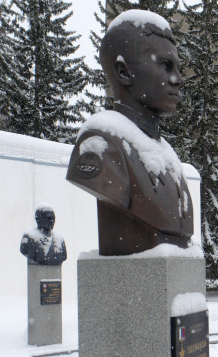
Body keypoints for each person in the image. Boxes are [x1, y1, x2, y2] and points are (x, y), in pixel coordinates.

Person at [66, 10, 193, 256]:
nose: (178, 79)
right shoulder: (103, 143)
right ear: (124, 72)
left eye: (177, 68)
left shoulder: (166, 154)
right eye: (165, 66)